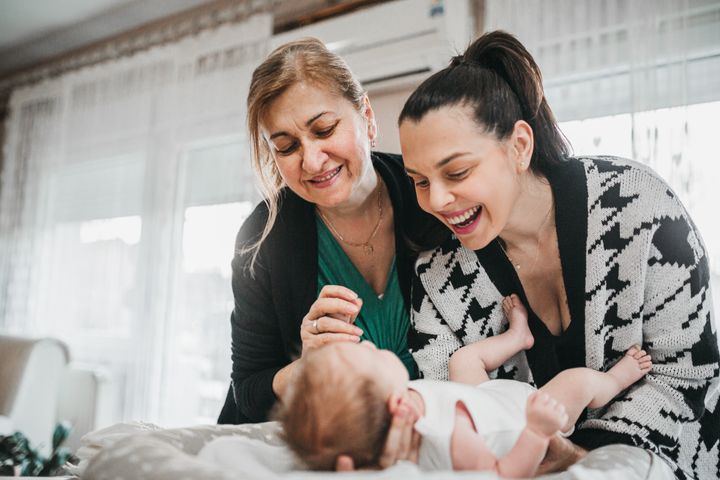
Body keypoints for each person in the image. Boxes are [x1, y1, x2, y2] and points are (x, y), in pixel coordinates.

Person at [398, 30, 719, 479]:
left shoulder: (638, 205)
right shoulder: (438, 278)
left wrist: (578, 456)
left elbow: (687, 372)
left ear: (519, 146)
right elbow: (447, 409)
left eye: (457, 172)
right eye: (420, 181)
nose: (437, 200)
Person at [216, 37, 442, 469]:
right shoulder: (261, 237)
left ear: (367, 117)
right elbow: (248, 389)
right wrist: (305, 368)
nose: (313, 161)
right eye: (287, 146)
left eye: (323, 130)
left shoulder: (429, 196)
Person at [278, 295, 652, 476]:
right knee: (576, 382)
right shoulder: (452, 438)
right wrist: (538, 433)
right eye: (371, 356)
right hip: (525, 413)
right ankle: (615, 379)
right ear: (396, 405)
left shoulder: (390, 420)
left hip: (480, 398)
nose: (370, 346)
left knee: (461, 361)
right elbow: (502, 473)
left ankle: (518, 337)